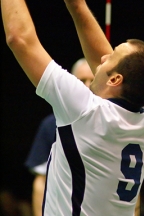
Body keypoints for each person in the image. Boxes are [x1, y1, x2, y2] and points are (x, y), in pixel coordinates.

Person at [1, 0, 144, 215]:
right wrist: (74, 0)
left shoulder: (86, 111)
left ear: (115, 79)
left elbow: (19, 39)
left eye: (111, 57)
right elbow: (116, 69)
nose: (102, 57)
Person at [24, 58, 94, 216]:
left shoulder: (112, 122)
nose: (88, 85)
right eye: (82, 80)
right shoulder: (50, 125)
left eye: (93, 80)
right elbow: (41, 181)